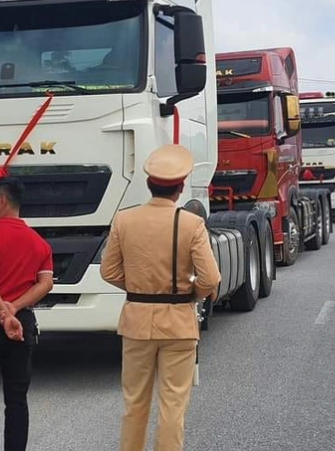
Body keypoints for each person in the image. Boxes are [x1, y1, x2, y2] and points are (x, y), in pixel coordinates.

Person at [100, 144, 222, 451]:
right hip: (179, 322)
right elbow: (210, 279)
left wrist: (138, 288)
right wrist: (190, 295)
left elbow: (108, 271)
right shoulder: (192, 223)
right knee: (173, 404)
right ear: (180, 188)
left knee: (134, 403)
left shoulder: (124, 220)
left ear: (148, 184)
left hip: (137, 321)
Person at [0, 176, 54, 451]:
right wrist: (14, 310)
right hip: (22, 323)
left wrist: (2, 314)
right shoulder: (39, 242)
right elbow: (47, 283)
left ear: (1, 200)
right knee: (17, 399)